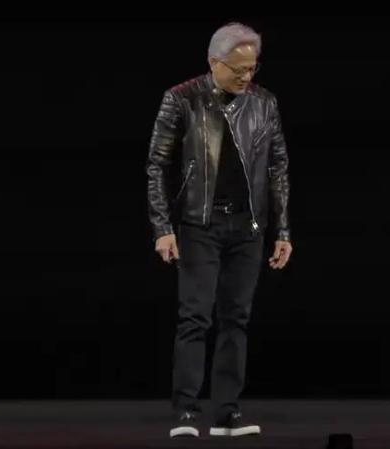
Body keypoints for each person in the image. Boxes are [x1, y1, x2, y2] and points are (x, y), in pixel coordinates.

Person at [145, 22, 292, 438]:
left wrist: (282, 230)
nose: (247, 76)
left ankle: (227, 412)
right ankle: (187, 411)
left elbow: (278, 168)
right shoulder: (181, 98)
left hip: (248, 226)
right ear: (214, 62)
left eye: (252, 68)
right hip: (199, 224)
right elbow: (157, 165)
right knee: (195, 316)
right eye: (238, 69)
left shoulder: (264, 103)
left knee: (236, 319)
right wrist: (162, 226)